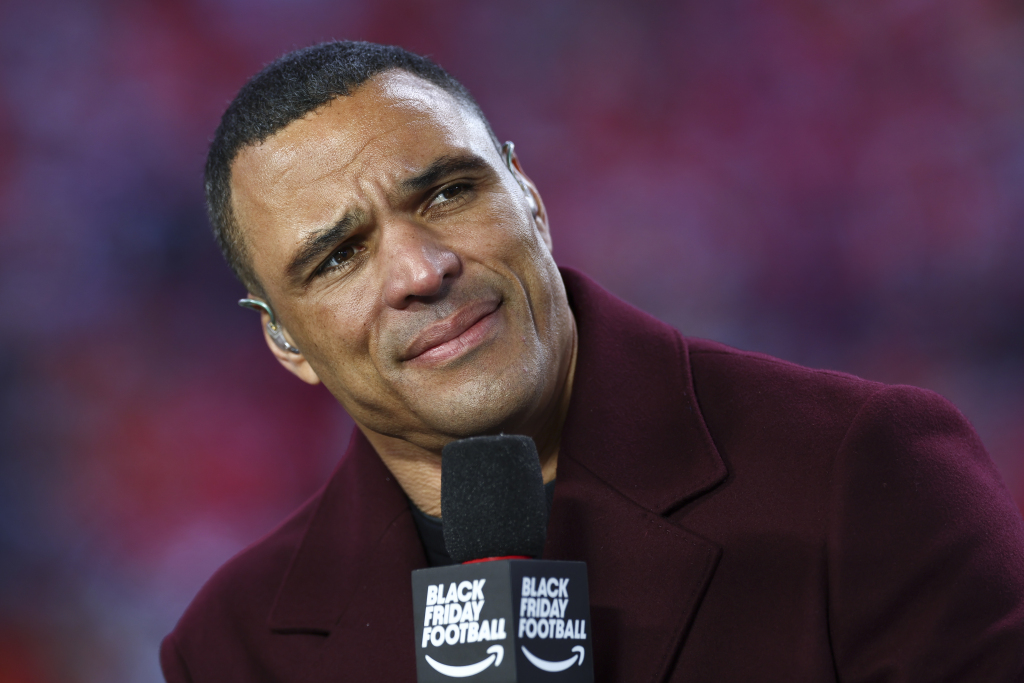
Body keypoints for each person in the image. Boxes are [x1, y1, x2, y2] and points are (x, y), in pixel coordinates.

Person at [161, 41, 1024, 682]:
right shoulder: (234, 646)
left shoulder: (861, 470)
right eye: (339, 256)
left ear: (528, 198)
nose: (422, 271)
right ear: (283, 338)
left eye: (450, 193)